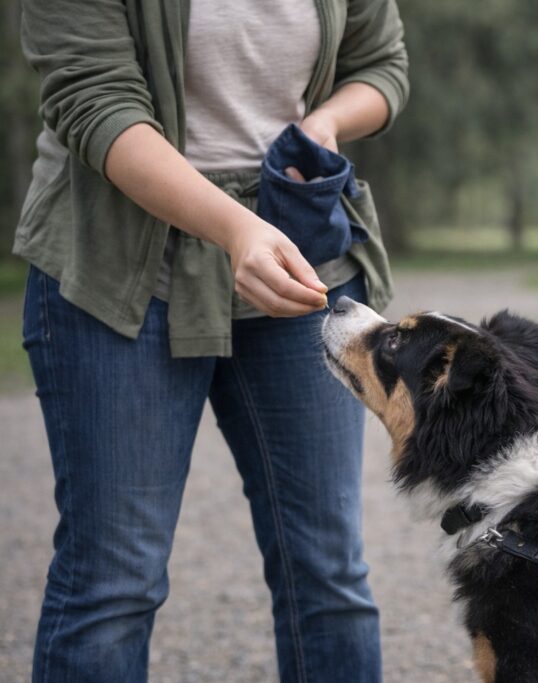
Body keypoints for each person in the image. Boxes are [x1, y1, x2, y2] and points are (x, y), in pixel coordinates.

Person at [16, 0, 408, 681]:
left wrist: (323, 121)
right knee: (114, 585)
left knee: (331, 575)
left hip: (302, 260)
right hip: (118, 273)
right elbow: (93, 98)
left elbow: (382, 65)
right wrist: (236, 227)